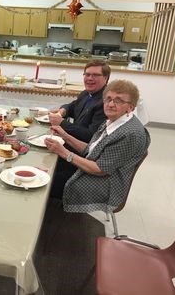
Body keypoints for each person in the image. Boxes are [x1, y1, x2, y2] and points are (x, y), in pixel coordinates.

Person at [44, 79, 150, 213]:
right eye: (108, 99)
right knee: (47, 168)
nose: (111, 104)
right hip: (93, 169)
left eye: (118, 101)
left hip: (104, 184)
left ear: (131, 107)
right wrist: (65, 135)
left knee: (45, 182)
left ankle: (45, 224)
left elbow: (99, 169)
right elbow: (91, 149)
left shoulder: (129, 133)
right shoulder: (113, 121)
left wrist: (64, 152)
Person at [48, 60, 110, 143]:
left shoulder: (106, 102)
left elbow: (90, 135)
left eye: (95, 75)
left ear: (105, 78)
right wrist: (62, 111)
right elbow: (71, 107)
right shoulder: (86, 93)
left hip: (82, 148)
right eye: (87, 74)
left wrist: (62, 122)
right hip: (71, 139)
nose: (90, 78)